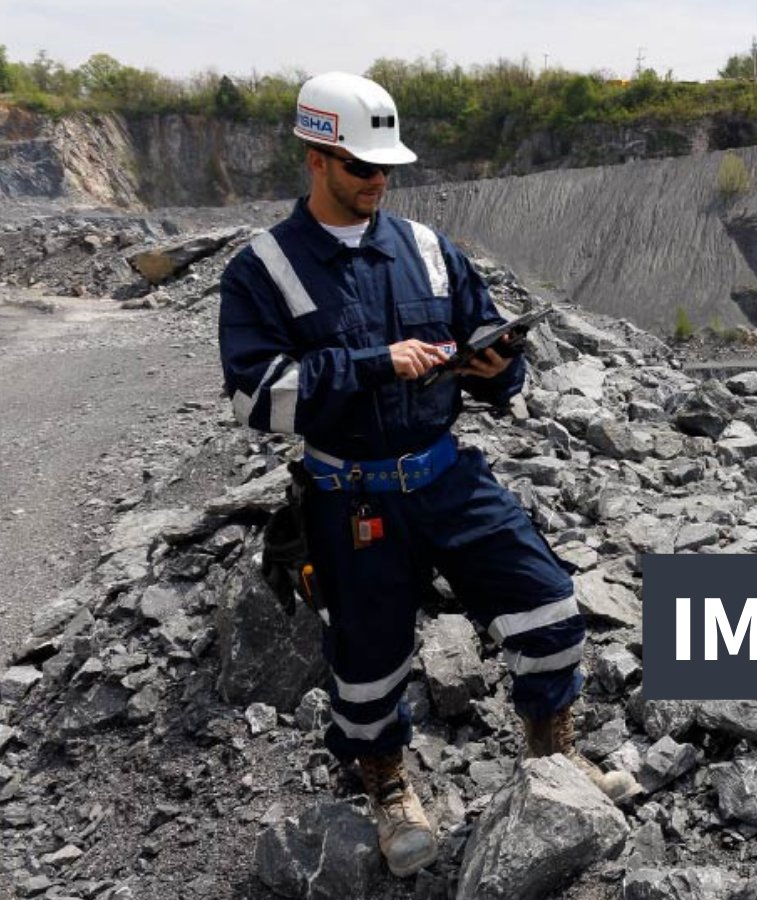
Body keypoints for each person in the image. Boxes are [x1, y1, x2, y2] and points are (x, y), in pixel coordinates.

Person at [218, 71, 622, 878]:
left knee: (550, 609)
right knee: (366, 669)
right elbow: (257, 402)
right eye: (361, 167)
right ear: (316, 156)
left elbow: (494, 365)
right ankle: (387, 783)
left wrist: (498, 366)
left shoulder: (432, 251)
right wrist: (376, 364)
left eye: (386, 169)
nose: (378, 182)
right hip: (349, 495)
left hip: (447, 476)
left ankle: (551, 756)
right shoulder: (262, 270)